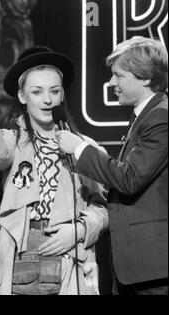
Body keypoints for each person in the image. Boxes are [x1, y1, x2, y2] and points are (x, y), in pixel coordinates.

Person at [0, 46, 108, 295]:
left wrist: (80, 229)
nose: (47, 99)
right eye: (37, 91)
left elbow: (103, 206)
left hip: (67, 258)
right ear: (22, 96)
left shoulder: (84, 147)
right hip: (18, 260)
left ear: (62, 94)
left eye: (54, 91)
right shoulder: (13, 142)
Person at [56, 36, 168, 295]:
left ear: (146, 78)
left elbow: (130, 179)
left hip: (152, 269)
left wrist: (80, 149)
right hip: (137, 268)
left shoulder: (160, 117)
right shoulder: (146, 115)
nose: (111, 82)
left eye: (119, 75)